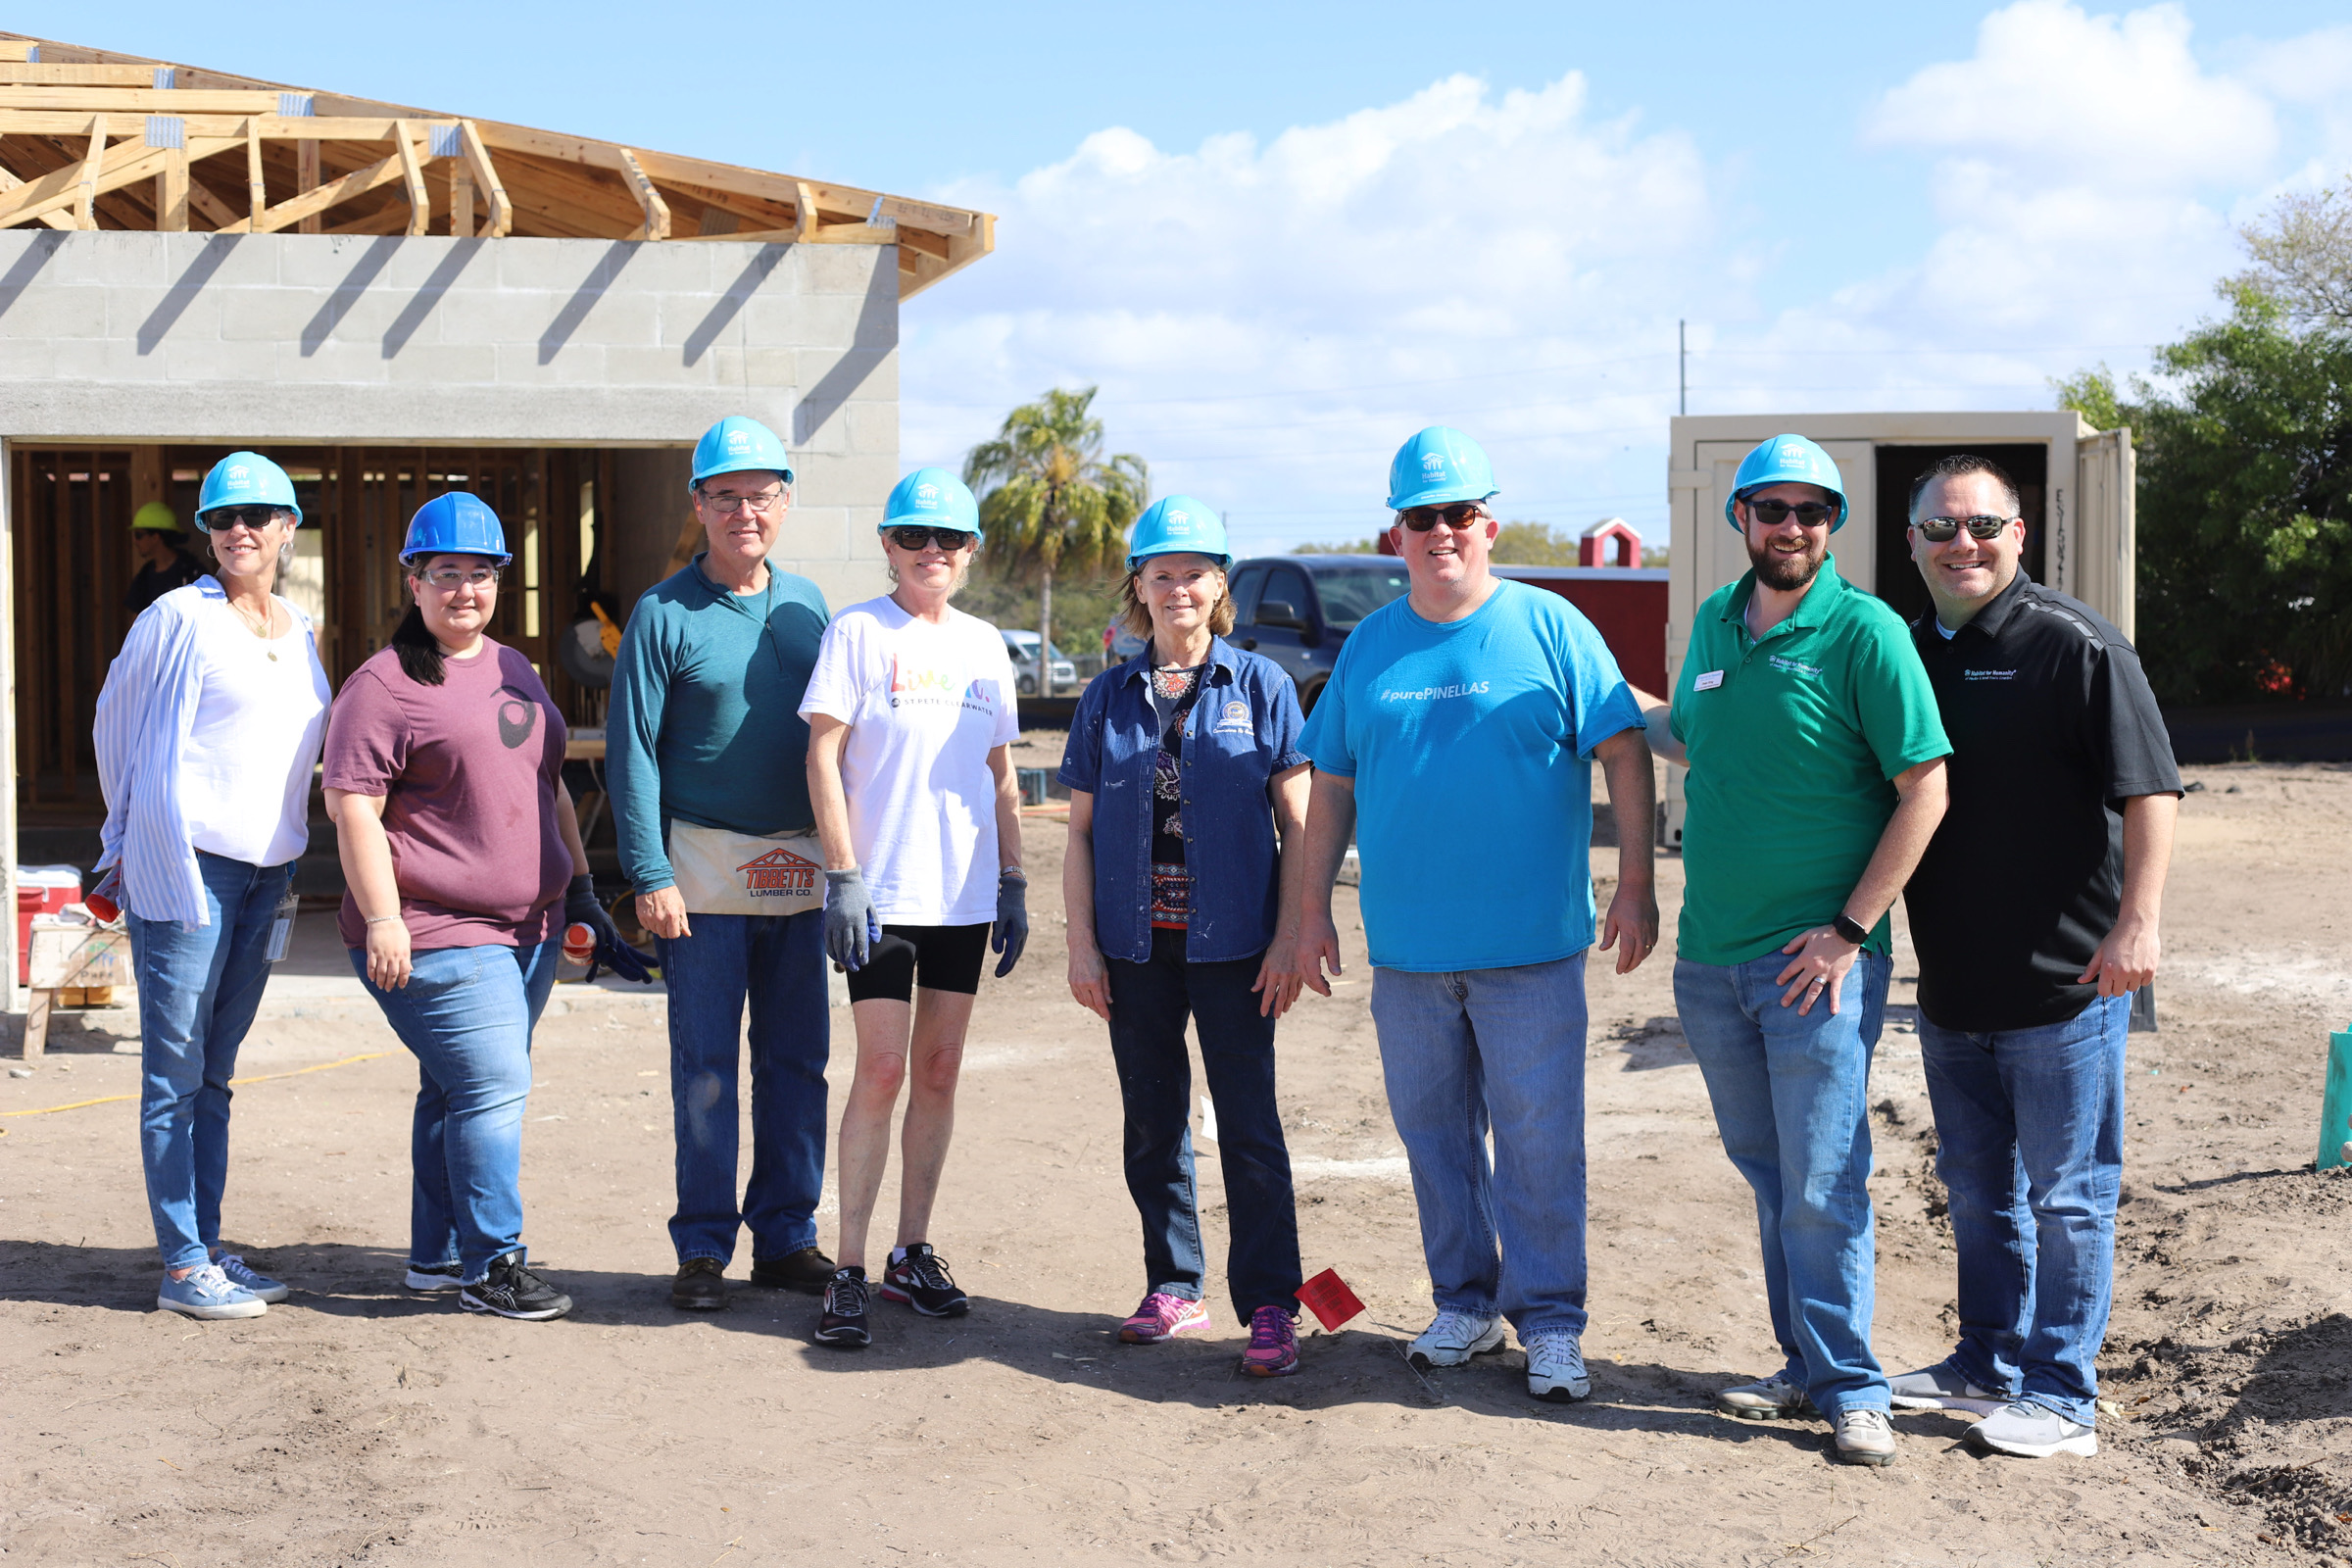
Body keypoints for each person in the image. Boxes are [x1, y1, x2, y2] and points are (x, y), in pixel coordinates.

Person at [1285, 427, 1658, 1404]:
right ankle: (1463, 1302)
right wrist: (1308, 909)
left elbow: (1623, 751)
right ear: (1396, 533)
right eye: (1422, 517)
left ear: (1488, 522)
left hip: (1532, 947)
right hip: (1408, 952)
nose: (1442, 531)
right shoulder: (1370, 645)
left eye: (1458, 514)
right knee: (1435, 1136)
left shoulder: (1553, 627)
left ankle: (1553, 1323)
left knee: (1540, 1141)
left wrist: (1634, 881)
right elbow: (1330, 787)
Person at [1630, 433, 1950, 1467]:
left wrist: (1852, 928)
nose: (1791, 527)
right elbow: (1696, 737)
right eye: (1772, 509)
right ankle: (1806, 1365)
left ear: (1834, 525)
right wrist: (1605, 696)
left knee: (1823, 1179)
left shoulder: (1864, 633)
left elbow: (1927, 787)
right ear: (1741, 519)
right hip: (1711, 960)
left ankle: (1857, 1386)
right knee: (1770, 1174)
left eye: (1812, 511)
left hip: (1816, 968)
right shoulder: (1719, 623)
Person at [1888, 454, 2180, 1459]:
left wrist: (2138, 923)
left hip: (2066, 987)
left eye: (1982, 526)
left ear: (2020, 535)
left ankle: (2064, 1394)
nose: (1961, 544)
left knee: (2070, 1195)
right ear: (1912, 542)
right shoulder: (1907, 651)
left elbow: (2152, 790)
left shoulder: (2078, 645)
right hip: (1953, 985)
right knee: (1976, 1192)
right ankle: (1986, 1363)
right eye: (1940, 529)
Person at [324, 493, 619, 1322]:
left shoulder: (513, 667)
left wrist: (580, 890)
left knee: (455, 1092)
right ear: (413, 582)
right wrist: (383, 919)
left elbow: (548, 781)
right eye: (446, 573)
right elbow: (353, 808)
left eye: (481, 574)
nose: (465, 590)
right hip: (434, 926)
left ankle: (438, 1257)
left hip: (529, 928)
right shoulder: (382, 686)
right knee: (492, 1086)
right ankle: (495, 1263)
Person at [1060, 496, 1311, 1377]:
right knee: (1152, 1122)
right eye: (1161, 572)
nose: (1178, 588)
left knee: (1249, 1125)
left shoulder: (1263, 687)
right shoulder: (1107, 697)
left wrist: (1294, 934)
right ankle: (1175, 1286)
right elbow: (1081, 833)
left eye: (1194, 572)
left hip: (1238, 944)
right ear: (1140, 585)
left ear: (1220, 585)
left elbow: (1301, 825)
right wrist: (1081, 945)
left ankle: (1274, 1304)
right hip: (1137, 948)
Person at [93, 451, 331, 1320]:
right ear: (207, 534)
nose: (241, 530)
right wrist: (128, 837)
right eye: (224, 519)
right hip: (190, 870)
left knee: (216, 1075)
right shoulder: (176, 619)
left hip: (270, 874)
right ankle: (182, 1265)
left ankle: (208, 1246)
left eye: (260, 516)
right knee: (174, 1073)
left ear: (286, 530)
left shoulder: (299, 628)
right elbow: (114, 721)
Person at [608, 416, 835, 1312]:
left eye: (763, 494)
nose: (747, 510)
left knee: (798, 1061)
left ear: (785, 503)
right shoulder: (663, 614)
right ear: (698, 503)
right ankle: (703, 1247)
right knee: (704, 1064)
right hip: (698, 872)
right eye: (727, 495)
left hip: (802, 869)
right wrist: (647, 874)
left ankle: (786, 1237)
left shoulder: (810, 607)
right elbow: (632, 752)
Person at [801, 467, 1026, 1349]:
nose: (932, 554)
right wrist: (842, 872)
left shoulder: (983, 644)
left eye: (950, 541)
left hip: (963, 893)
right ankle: (847, 1267)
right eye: (914, 539)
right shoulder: (859, 632)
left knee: (938, 1069)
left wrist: (1012, 879)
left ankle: (911, 1252)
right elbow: (825, 756)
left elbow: (1001, 772)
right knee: (883, 1070)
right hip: (885, 892)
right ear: (889, 546)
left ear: (970, 554)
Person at [125, 502, 202, 616]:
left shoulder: (192, 572)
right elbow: (137, 621)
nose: (135, 542)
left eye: (138, 535)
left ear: (155, 537)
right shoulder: (144, 576)